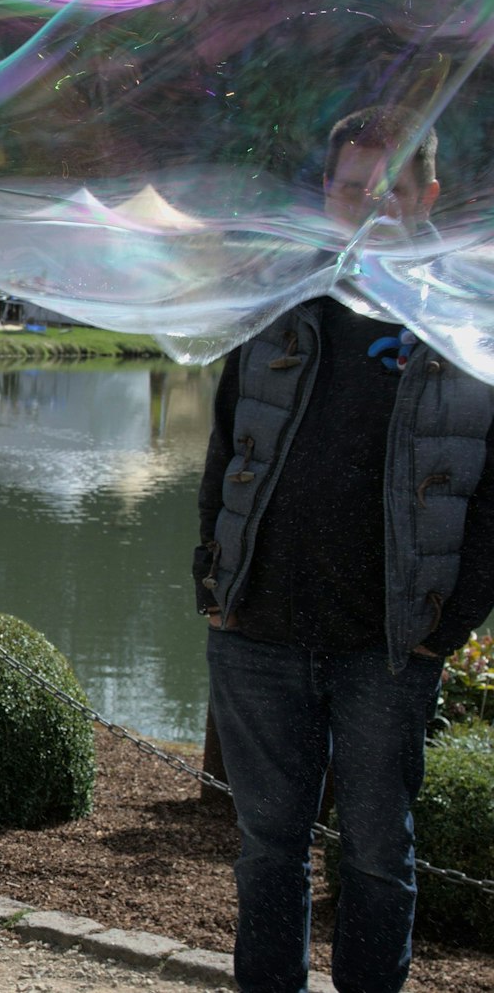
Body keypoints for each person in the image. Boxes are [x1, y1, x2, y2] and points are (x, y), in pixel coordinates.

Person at [196, 105, 494, 993]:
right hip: (259, 625)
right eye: (349, 189)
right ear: (325, 192)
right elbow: (225, 445)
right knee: (267, 850)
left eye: (387, 192)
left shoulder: (467, 324)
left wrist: (451, 622)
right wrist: (212, 576)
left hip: (391, 640)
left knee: (374, 851)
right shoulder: (280, 295)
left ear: (427, 195)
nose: (365, 208)